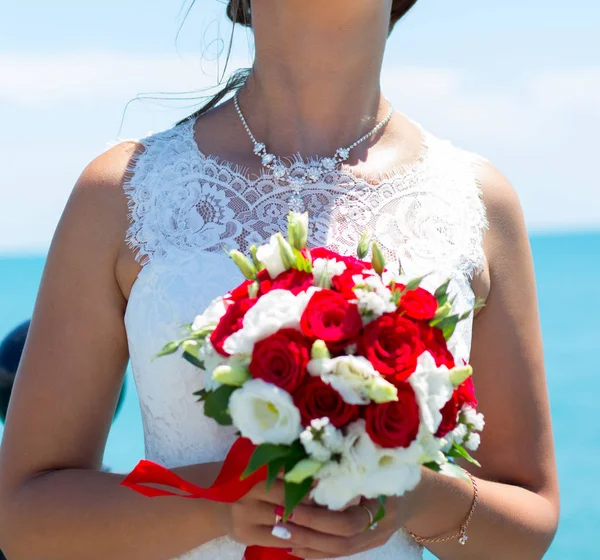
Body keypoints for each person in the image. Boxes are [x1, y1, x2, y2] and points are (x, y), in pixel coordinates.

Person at [0, 1, 559, 559]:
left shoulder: (476, 202)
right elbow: (24, 519)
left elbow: (527, 524)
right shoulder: (123, 193)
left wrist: (414, 497)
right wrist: (218, 503)